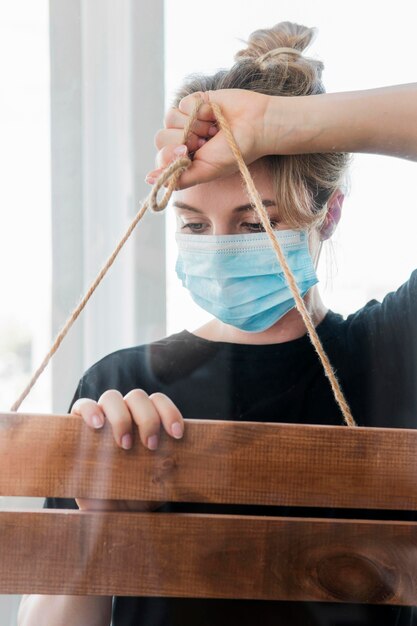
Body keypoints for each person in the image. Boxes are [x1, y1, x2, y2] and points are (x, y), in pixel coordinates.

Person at [18, 20, 417, 626]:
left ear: (329, 213)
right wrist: (100, 523)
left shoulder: (395, 351)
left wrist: (273, 127)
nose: (222, 248)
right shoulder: (120, 389)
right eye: (195, 226)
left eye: (257, 223)